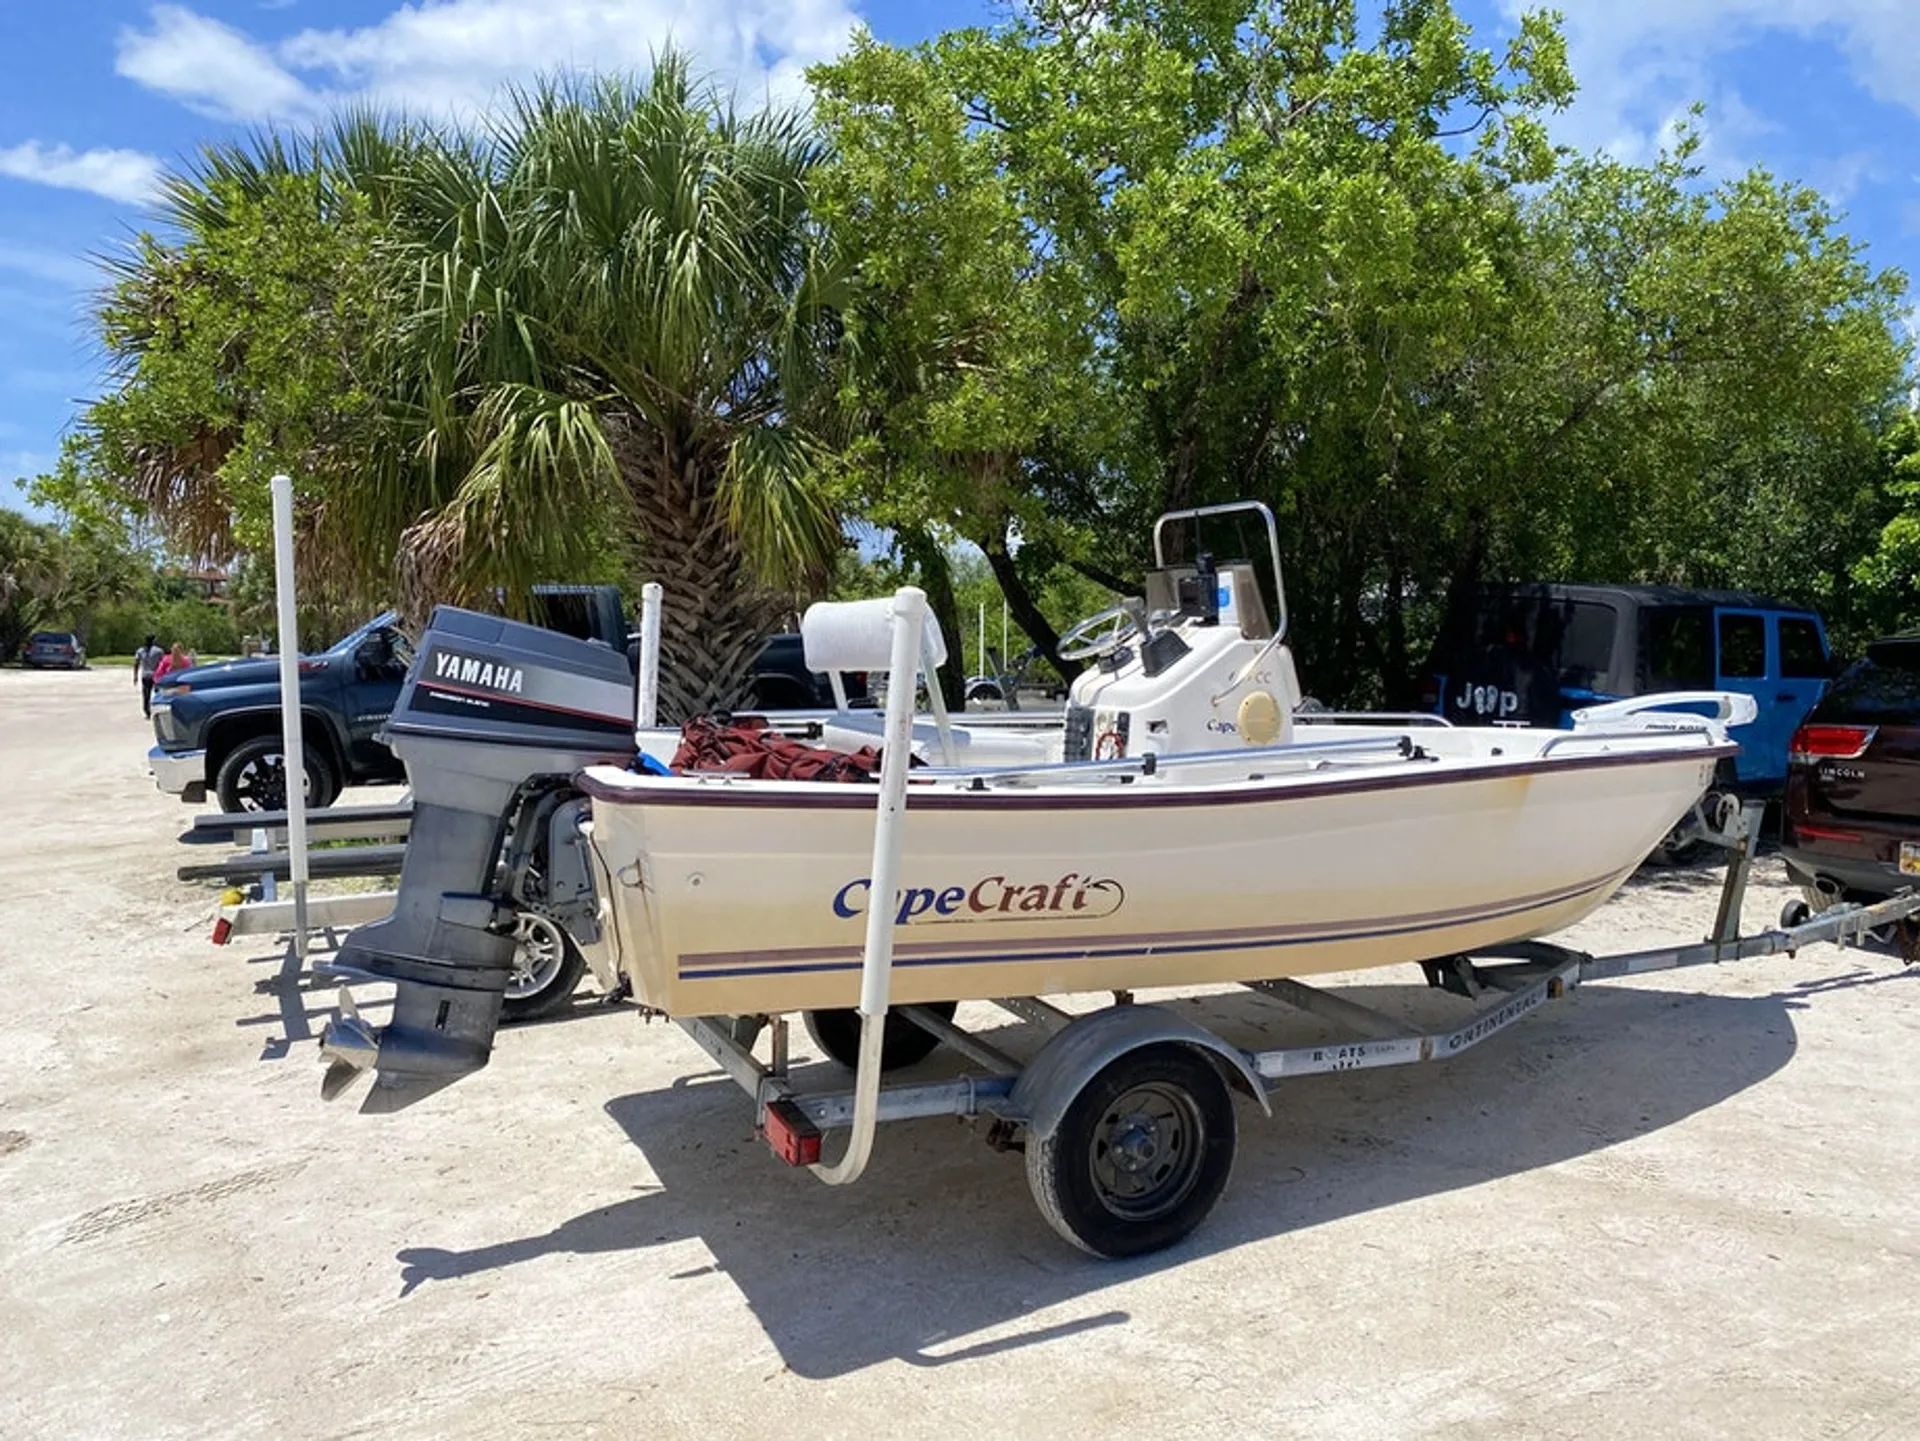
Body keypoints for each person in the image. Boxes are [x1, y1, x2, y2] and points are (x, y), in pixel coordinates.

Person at [134, 634, 164, 717]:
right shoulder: (159, 651)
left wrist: (135, 675)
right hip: (156, 675)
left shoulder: (140, 651)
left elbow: (136, 663)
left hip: (145, 675)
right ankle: (158, 709)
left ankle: (147, 711)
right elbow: (163, 663)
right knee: (158, 693)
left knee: (146, 694)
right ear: (153, 641)